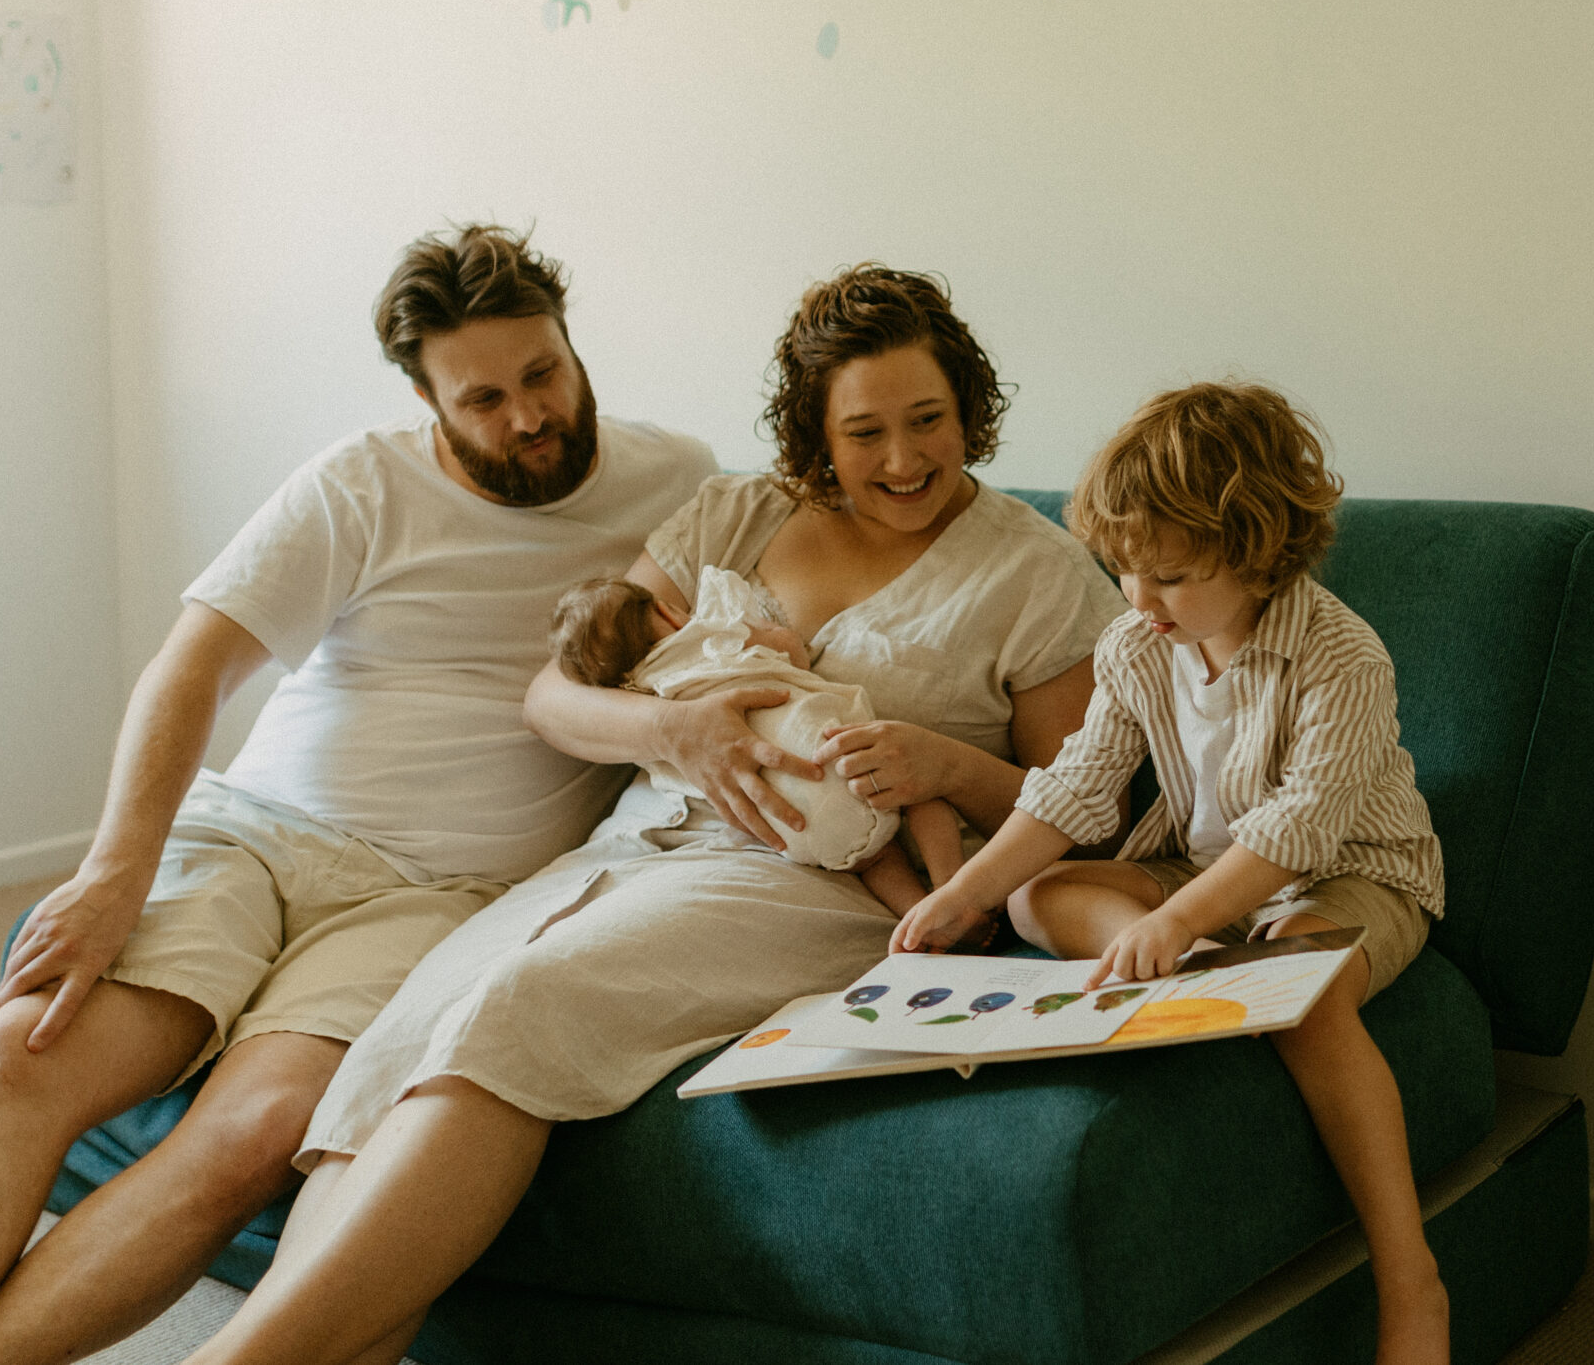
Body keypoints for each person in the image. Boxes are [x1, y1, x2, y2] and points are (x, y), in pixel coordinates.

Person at [172, 265, 1125, 1365]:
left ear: (969, 407)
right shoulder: (737, 510)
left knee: (526, 998)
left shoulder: (1037, 571)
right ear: (815, 432)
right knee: (406, 1032)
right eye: (864, 431)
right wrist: (669, 733)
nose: (903, 459)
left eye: (928, 420)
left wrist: (945, 762)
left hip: (811, 882)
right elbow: (555, 695)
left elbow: (1085, 809)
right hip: (627, 842)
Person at [0, 227, 715, 1365]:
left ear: (572, 346)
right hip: (255, 835)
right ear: (424, 396)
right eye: (482, 397)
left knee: (255, 1134)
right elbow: (192, 667)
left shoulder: (678, 482)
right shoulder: (361, 482)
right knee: (24, 1054)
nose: (528, 415)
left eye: (543, 374)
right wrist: (111, 873)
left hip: (439, 895)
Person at [892, 380, 1452, 1365]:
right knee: (1034, 892)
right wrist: (960, 891)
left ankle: (1411, 1280)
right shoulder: (1136, 644)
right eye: (1122, 571)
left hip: (1352, 874)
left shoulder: (1341, 656)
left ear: (1258, 550)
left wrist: (1173, 920)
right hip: (1193, 865)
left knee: (1309, 992)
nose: (1139, 600)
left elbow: (1299, 829)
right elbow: (1076, 788)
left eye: (1173, 575)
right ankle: (1203, 965)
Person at [549, 567, 968, 914]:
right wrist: (766, 633)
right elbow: (792, 652)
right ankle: (953, 893)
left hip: (791, 829)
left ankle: (917, 914)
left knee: (873, 858)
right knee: (918, 790)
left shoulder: (641, 695)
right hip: (835, 755)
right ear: (667, 612)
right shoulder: (711, 635)